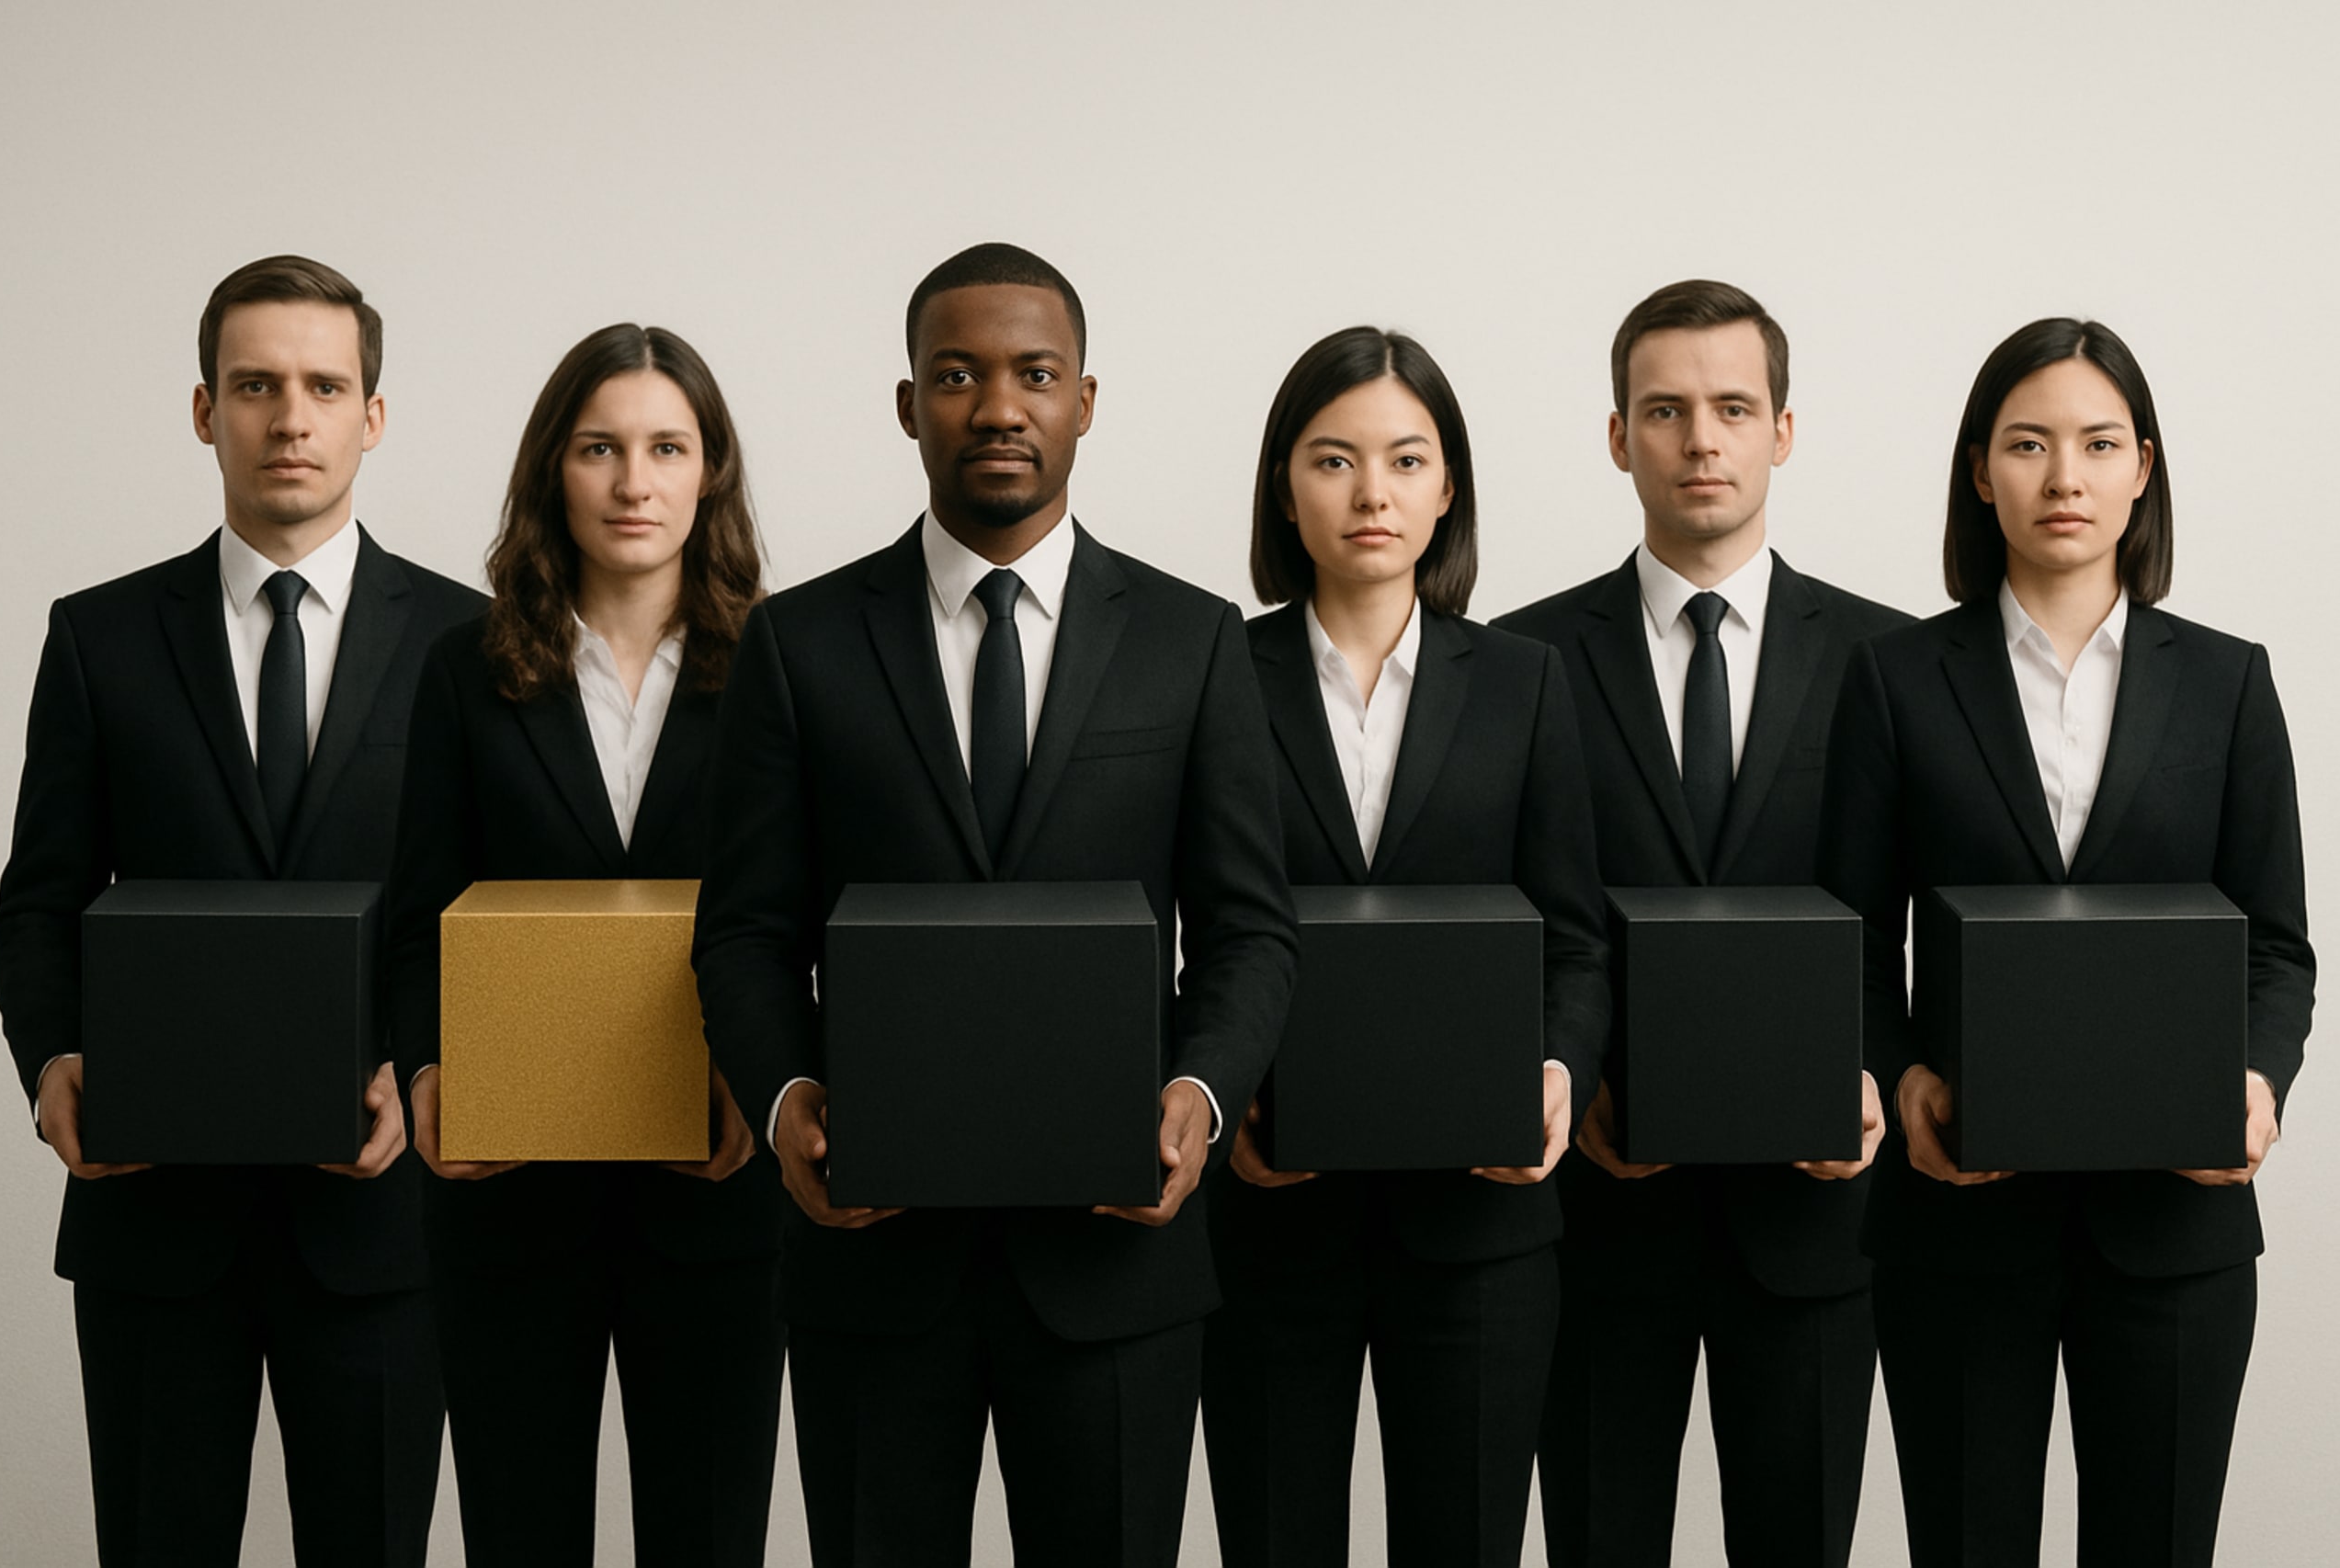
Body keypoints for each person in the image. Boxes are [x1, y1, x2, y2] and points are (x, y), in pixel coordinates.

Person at [690, 241, 1298, 1568]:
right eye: (957, 374)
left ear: (1087, 398)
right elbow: (740, 933)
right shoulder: (799, 644)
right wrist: (790, 1110)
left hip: (1116, 1262)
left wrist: (1194, 1103)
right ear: (909, 404)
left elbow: (1249, 930)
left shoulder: (1190, 640)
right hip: (870, 1259)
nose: (999, 405)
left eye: (1035, 372)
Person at [0, 255, 481, 1567]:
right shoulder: (99, 636)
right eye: (256, 384)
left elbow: (478, 917)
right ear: (204, 410)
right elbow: (37, 902)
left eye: (325, 385)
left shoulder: (472, 642)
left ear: (374, 415)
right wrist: (50, 1068)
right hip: (154, 1216)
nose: (291, 417)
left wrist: (428, 1064)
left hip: (383, 1223)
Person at [1817, 317, 2312, 1567]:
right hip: (1958, 1215)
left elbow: (2278, 949)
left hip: (2176, 1228)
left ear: (2143, 466)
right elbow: (1853, 938)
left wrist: (2255, 1083)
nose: (2065, 477)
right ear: (1981, 468)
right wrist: (1901, 1076)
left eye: (2098, 444)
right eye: (2028, 444)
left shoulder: (2228, 681)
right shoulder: (1894, 679)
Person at [1496, 279, 1905, 1566]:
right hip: (1601, 1216)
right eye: (1665, 410)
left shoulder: (1889, 662)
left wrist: (1883, 1081)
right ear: (1618, 435)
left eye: (1733, 407)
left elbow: (1915, 914)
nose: (1702, 440)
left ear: (1785, 429)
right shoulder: (1522, 663)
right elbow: (1519, 916)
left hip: (1815, 1214)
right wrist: (1574, 1076)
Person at [1201, 325, 1608, 1567]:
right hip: (1270, 1220)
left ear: (1447, 488)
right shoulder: (1212, 667)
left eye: (1405, 459)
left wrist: (1559, 1073)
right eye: (1333, 459)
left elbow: (1578, 940)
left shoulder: (1528, 681)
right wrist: (1217, 1097)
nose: (1371, 493)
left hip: (1480, 1230)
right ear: (1286, 484)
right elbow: (1189, 926)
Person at [385, 324, 782, 1566]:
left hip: (717, 1192)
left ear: (709, 469)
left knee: (708, 1536)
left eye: (667, 447)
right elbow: (414, 918)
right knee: (518, 1531)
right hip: (513, 1196)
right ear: (553, 468)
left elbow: (805, 919)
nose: (633, 482)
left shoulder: (786, 662)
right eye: (600, 447)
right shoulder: (464, 669)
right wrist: (427, 1071)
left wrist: (772, 1085)